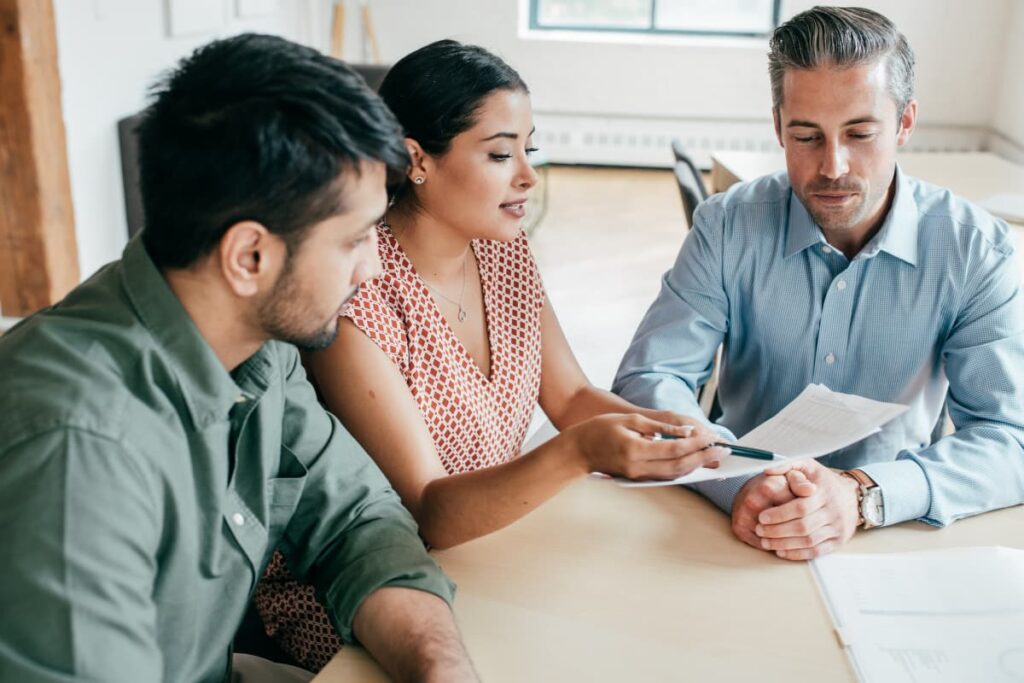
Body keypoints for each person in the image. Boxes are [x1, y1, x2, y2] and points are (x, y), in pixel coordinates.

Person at [0, 33, 478, 682]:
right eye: (355, 239)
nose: (373, 267)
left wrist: (438, 666)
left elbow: (356, 516)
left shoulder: (259, 345)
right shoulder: (78, 450)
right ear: (249, 256)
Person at [253, 39, 728, 670]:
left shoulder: (504, 251)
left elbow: (571, 397)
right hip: (365, 595)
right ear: (417, 159)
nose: (528, 174)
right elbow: (432, 513)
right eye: (501, 153)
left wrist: (678, 435)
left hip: (494, 550)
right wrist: (583, 450)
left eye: (528, 148)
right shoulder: (356, 295)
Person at [614, 6, 1024, 561]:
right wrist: (736, 480)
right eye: (807, 136)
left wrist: (862, 495)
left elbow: (1010, 438)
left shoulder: (976, 250)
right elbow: (648, 378)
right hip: (736, 520)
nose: (833, 166)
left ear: (904, 123)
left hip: (896, 528)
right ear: (778, 125)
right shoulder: (727, 225)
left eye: (860, 133)